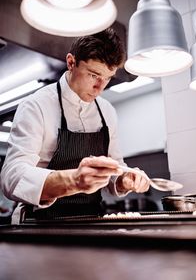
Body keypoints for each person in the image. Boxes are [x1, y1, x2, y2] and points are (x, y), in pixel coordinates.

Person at [1, 28, 149, 220]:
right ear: (71, 62)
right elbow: (11, 177)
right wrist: (74, 181)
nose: (100, 88)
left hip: (90, 221)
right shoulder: (36, 105)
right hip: (39, 223)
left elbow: (115, 169)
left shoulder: (107, 111)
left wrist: (123, 180)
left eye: (108, 78)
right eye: (94, 75)